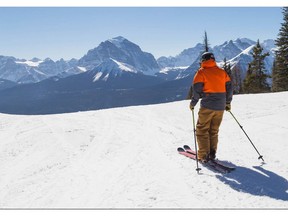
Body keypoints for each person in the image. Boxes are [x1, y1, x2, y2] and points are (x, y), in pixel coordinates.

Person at [190, 52, 233, 163]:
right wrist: (227, 103)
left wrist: (193, 103)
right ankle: (212, 153)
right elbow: (229, 88)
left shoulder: (201, 72)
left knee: (202, 130)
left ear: (203, 60)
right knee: (213, 130)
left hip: (208, 106)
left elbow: (196, 90)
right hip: (220, 106)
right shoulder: (222, 72)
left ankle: (204, 155)